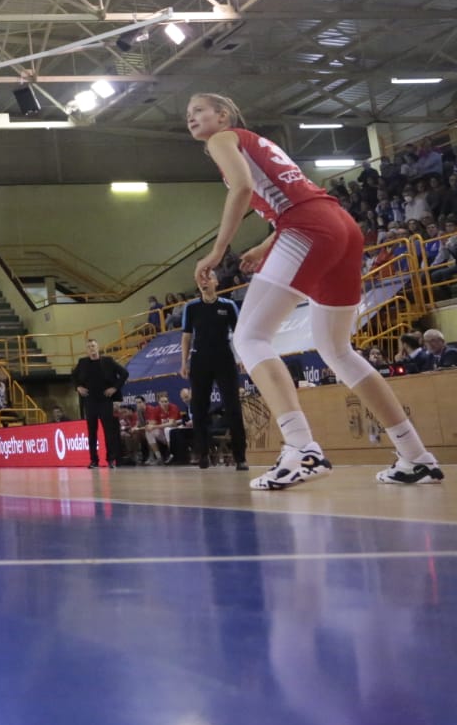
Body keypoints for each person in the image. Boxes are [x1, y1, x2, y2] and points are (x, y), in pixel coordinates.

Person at [186, 92, 441, 489]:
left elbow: (240, 188)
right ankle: (415, 455)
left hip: (307, 227)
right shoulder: (256, 142)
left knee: (251, 338)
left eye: (198, 109)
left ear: (223, 115)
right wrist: (266, 244)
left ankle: (302, 447)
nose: (191, 117)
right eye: (188, 113)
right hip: (340, 225)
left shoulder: (223, 140)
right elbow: (296, 200)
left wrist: (218, 251)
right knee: (338, 351)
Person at [177, 278, 246, 470]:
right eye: (199, 279)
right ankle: (203, 454)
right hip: (200, 360)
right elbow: (186, 336)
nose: (203, 282)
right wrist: (184, 362)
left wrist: (242, 358)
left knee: (233, 406)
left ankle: (240, 457)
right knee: (199, 408)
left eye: (208, 278)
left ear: (216, 282)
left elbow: (239, 334)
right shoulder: (191, 308)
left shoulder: (228, 305)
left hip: (224, 358)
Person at [70, 338, 126, 467]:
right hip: (90, 401)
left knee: (109, 431)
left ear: (98, 347)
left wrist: (114, 388)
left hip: (105, 400)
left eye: (93, 346)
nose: (91, 348)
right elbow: (73, 376)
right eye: (89, 346)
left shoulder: (108, 361)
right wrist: (78, 387)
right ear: (87, 350)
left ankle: (111, 459)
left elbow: (124, 373)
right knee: (91, 431)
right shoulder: (82, 362)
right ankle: (94, 460)